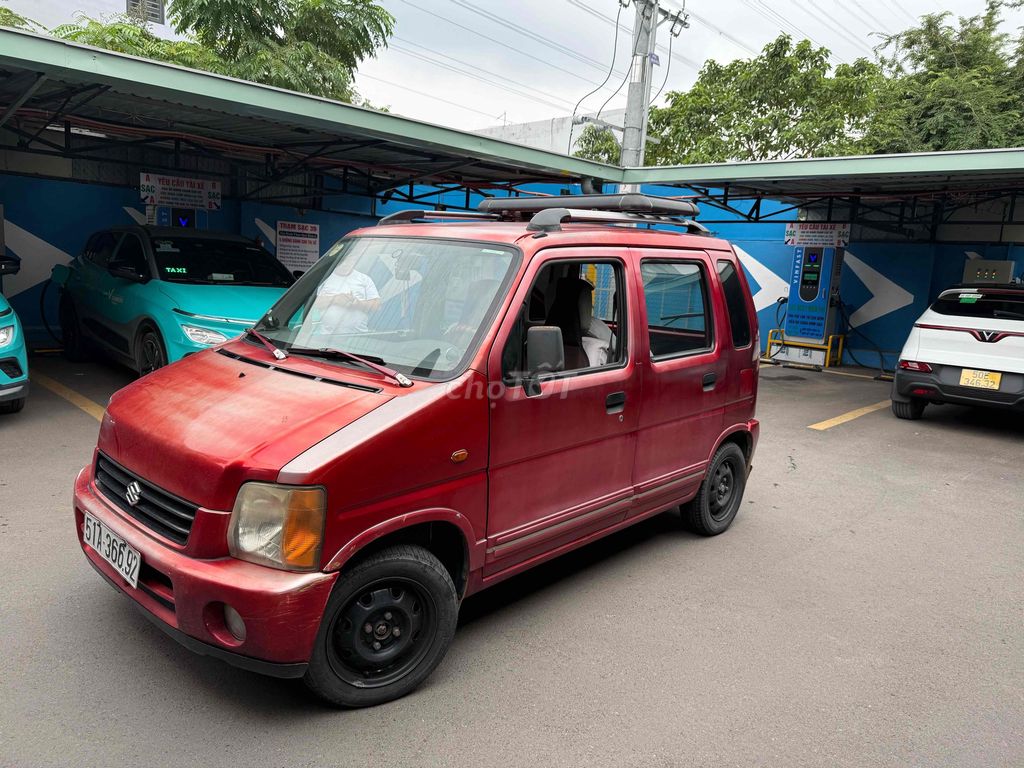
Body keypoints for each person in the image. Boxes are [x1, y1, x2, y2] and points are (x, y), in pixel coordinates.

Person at [314, 258, 381, 336]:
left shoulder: (364, 279)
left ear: (354, 260)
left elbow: (377, 306)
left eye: (348, 260)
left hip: (359, 335)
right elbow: (313, 304)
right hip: (327, 337)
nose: (345, 264)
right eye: (342, 261)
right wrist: (335, 299)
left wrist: (356, 303)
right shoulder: (324, 278)